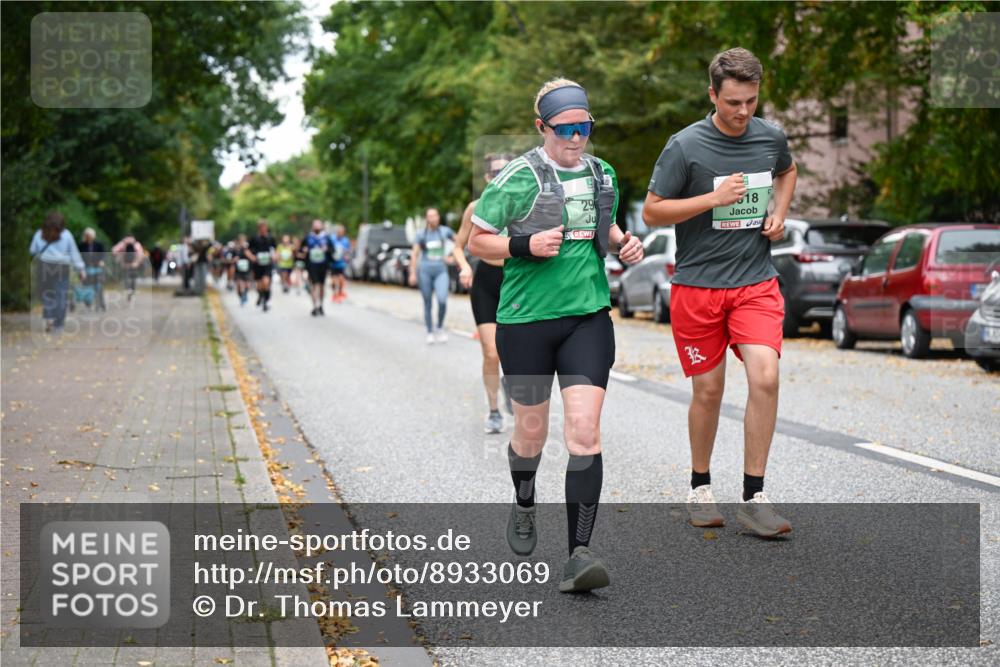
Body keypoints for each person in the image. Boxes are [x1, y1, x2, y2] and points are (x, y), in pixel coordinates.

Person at [468, 79, 643, 593]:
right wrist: (523, 244)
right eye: (565, 128)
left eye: (583, 126)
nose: (576, 137)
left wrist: (624, 245)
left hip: (587, 316)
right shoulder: (518, 179)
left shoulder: (602, 173)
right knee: (530, 435)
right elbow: (479, 241)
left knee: (584, 433)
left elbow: (604, 230)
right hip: (525, 322)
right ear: (542, 127)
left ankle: (579, 554)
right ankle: (525, 503)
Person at [642, 47, 797, 537]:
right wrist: (713, 198)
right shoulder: (684, 146)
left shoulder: (770, 136)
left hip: (755, 281)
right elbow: (652, 212)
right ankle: (700, 486)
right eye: (733, 102)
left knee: (766, 377)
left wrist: (780, 213)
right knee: (708, 391)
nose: (743, 111)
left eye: (751, 100)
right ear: (713, 94)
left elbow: (786, 170)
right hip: (698, 286)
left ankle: (754, 495)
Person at [453, 153, 515, 434]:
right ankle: (494, 411)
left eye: (506, 171)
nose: (499, 177)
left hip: (517, 281)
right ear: (488, 177)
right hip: (486, 282)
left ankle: (510, 383)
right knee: (491, 353)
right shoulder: (475, 207)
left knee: (515, 352)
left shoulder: (522, 204)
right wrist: (465, 266)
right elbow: (458, 246)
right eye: (495, 173)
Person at [30, 211, 86, 332]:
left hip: (44, 266)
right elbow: (74, 253)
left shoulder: (39, 233)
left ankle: (49, 317)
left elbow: (33, 251)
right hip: (61, 267)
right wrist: (81, 269)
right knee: (61, 296)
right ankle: (58, 325)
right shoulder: (66, 234)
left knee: (47, 294)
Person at [409, 208, 455, 344]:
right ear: (427, 219)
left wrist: (453, 257)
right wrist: (412, 272)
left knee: (442, 300)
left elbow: (460, 241)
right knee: (427, 302)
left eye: (435, 215)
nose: (433, 218)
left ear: (438, 217)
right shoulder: (421, 234)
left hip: (441, 270)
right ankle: (429, 331)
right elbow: (414, 254)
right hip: (425, 271)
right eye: (430, 216)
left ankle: (439, 327)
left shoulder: (445, 231)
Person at [299, 220, 333, 316]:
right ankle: (315, 306)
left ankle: (321, 305)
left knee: (321, 286)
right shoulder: (308, 237)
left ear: (322, 226)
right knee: (314, 285)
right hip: (312, 266)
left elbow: (332, 250)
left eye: (319, 224)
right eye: (315, 225)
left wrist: (327, 249)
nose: (317, 226)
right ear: (312, 226)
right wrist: (304, 250)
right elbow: (301, 249)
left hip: (323, 265)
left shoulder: (326, 238)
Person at [247, 219, 276, 312]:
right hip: (257, 264)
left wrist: (275, 256)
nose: (264, 229)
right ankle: (260, 295)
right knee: (259, 285)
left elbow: (276, 250)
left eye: (265, 227)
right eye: (261, 227)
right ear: (259, 228)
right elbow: (247, 250)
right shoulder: (254, 238)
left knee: (266, 282)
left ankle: (265, 302)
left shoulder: (271, 238)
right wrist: (252, 257)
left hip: (267, 263)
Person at [78, 228, 106, 311]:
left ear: (93, 236)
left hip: (97, 268)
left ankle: (101, 304)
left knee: (98, 286)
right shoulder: (81, 245)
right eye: (86, 236)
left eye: (89, 236)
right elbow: (78, 256)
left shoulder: (99, 244)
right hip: (86, 268)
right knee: (86, 286)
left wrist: (102, 261)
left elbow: (103, 254)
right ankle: (88, 303)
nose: (88, 237)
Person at [112, 235, 144, 300]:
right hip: (130, 264)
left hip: (129, 264)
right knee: (130, 279)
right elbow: (141, 255)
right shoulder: (135, 245)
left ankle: (130, 291)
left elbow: (114, 251)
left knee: (129, 278)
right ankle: (130, 291)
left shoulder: (124, 244)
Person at [329, 224, 352, 303]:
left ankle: (339, 293)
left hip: (341, 263)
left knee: (341, 280)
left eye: (342, 232)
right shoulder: (332, 239)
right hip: (333, 263)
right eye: (339, 231)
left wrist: (347, 256)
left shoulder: (345, 240)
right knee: (334, 281)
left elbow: (348, 250)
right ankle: (334, 294)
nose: (340, 233)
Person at [232, 235, 253, 305]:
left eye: (243, 241)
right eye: (241, 241)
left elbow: (252, 257)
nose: (242, 242)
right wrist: (235, 259)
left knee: (247, 285)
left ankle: (245, 294)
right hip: (239, 270)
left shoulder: (248, 249)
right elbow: (232, 259)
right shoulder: (235, 250)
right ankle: (242, 297)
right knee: (240, 285)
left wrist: (248, 254)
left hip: (247, 269)